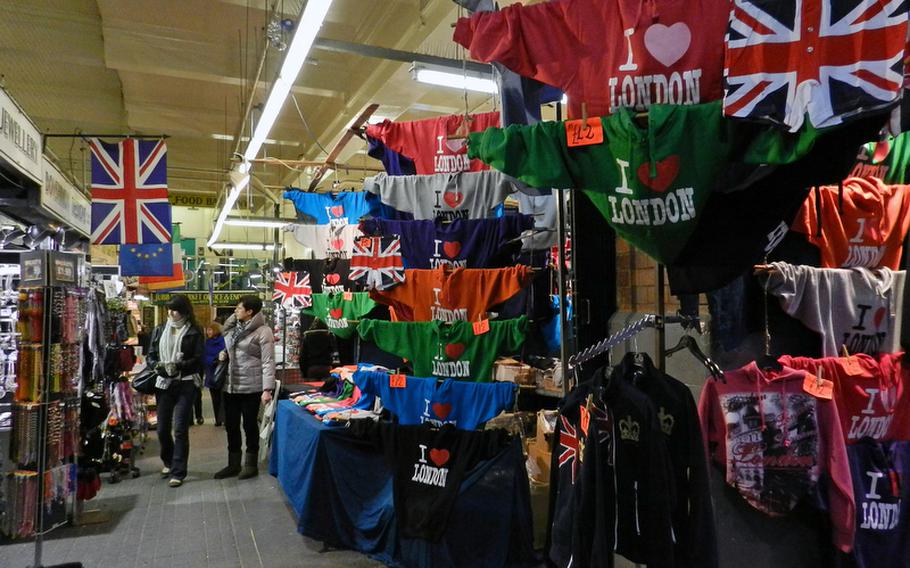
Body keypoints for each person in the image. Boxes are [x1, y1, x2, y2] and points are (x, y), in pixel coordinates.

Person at [145, 295, 204, 488]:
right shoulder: (160, 330)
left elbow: (198, 358)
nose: (171, 313)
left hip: (185, 383)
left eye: (175, 309)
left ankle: (178, 471)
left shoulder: (194, 331)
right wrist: (158, 366)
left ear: (185, 311)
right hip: (163, 384)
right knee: (162, 429)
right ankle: (169, 461)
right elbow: (151, 355)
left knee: (180, 429)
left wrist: (179, 366)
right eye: (169, 309)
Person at [215, 295, 275, 480]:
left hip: (252, 386)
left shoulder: (263, 332)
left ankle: (250, 464)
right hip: (231, 385)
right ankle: (233, 464)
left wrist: (267, 389)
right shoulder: (234, 329)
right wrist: (224, 353)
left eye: (239, 308)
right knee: (231, 426)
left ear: (250, 312)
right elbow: (225, 330)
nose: (235, 311)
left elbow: (268, 361)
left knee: (249, 425)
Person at [203, 321, 226, 426]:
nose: (208, 332)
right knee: (215, 398)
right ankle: (218, 419)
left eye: (210, 329)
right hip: (211, 373)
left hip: (221, 373)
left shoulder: (223, 341)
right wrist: (212, 360)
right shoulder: (207, 342)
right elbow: (204, 356)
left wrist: (217, 359)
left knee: (223, 398)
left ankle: (224, 418)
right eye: (208, 330)